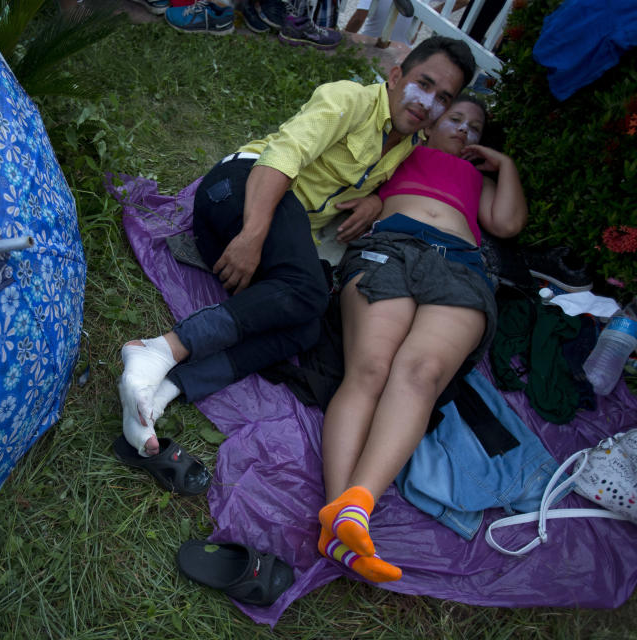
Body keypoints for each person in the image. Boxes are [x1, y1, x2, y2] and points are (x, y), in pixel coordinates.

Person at [116, 37, 477, 470]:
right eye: (424, 83)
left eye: (443, 98)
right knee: (310, 289)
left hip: (268, 233)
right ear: (396, 75)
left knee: (306, 329)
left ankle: (166, 389)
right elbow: (281, 157)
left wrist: (375, 201)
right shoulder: (351, 100)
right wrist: (252, 235)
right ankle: (159, 349)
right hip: (236, 192)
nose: (427, 102)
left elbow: (377, 188)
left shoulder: (405, 147)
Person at [317, 94, 527, 582]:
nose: (463, 131)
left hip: (461, 266)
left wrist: (505, 165)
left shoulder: (480, 178)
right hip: (391, 246)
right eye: (455, 119)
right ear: (431, 123)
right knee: (370, 368)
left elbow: (508, 223)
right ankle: (338, 521)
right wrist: (374, 199)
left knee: (422, 373)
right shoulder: (404, 149)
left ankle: (356, 509)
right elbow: (359, 178)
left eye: (475, 128)